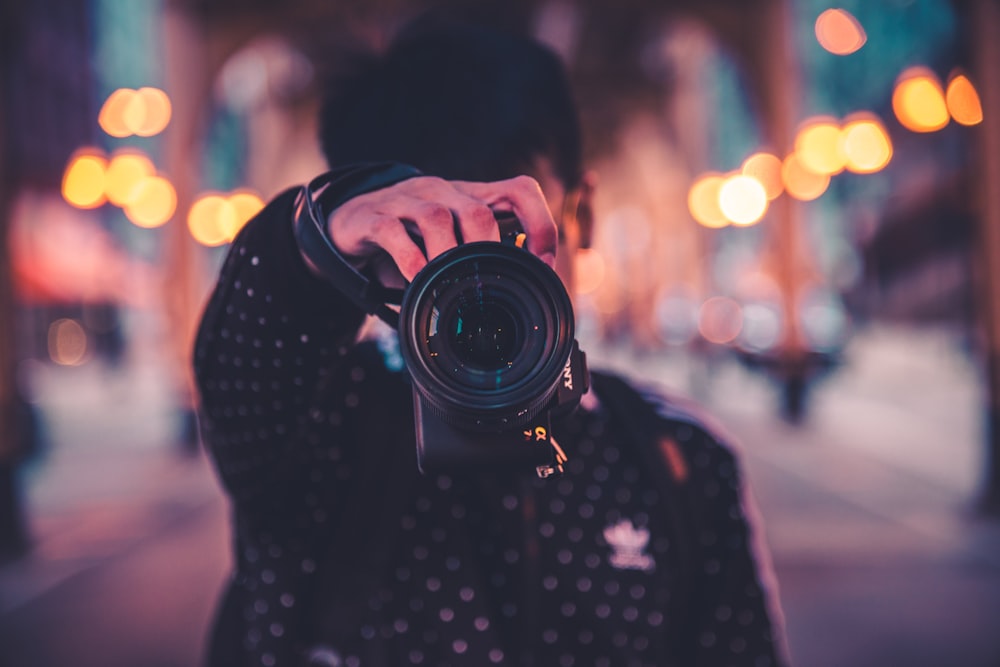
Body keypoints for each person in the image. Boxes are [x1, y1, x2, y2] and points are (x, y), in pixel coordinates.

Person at [193, 14, 787, 667]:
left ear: (580, 216)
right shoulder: (315, 424)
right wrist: (307, 248)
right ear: (369, 252)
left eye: (508, 236)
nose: (479, 282)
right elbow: (245, 369)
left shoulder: (680, 463)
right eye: (426, 241)